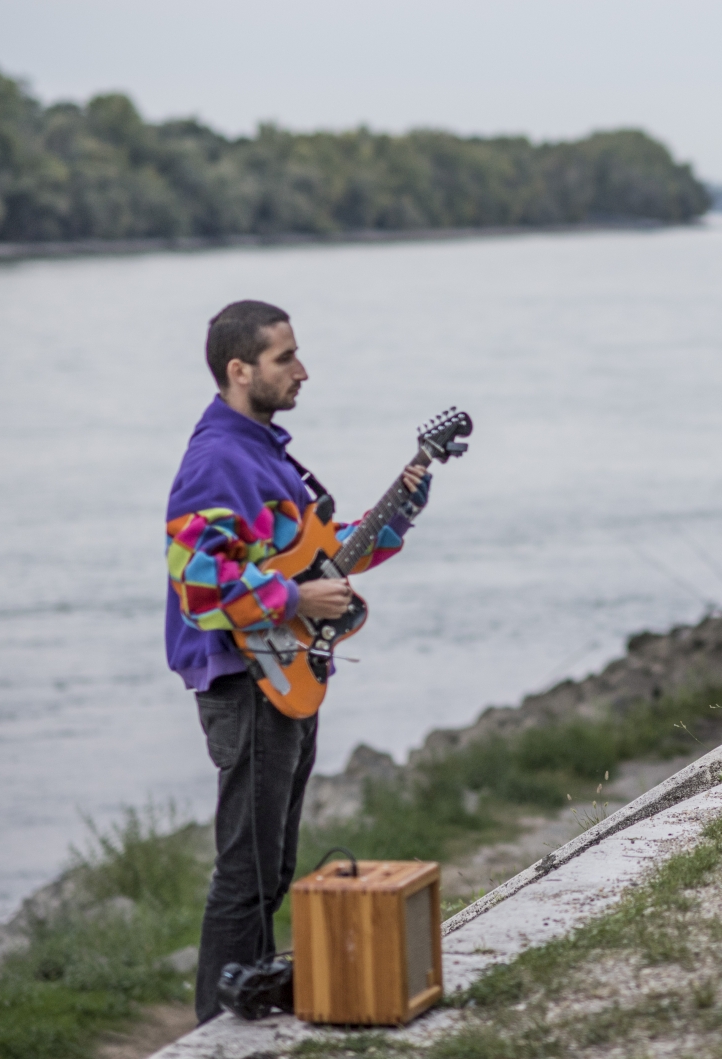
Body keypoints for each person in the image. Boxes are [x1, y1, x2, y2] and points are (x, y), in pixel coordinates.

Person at [165, 300, 428, 1022]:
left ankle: (248, 1005)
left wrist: (398, 511)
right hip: (246, 681)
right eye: (285, 358)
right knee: (245, 873)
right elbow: (198, 582)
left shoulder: (263, 450)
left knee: (271, 867)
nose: (302, 370)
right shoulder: (218, 458)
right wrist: (291, 600)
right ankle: (217, 1030)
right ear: (239, 369)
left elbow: (318, 558)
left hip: (286, 677)